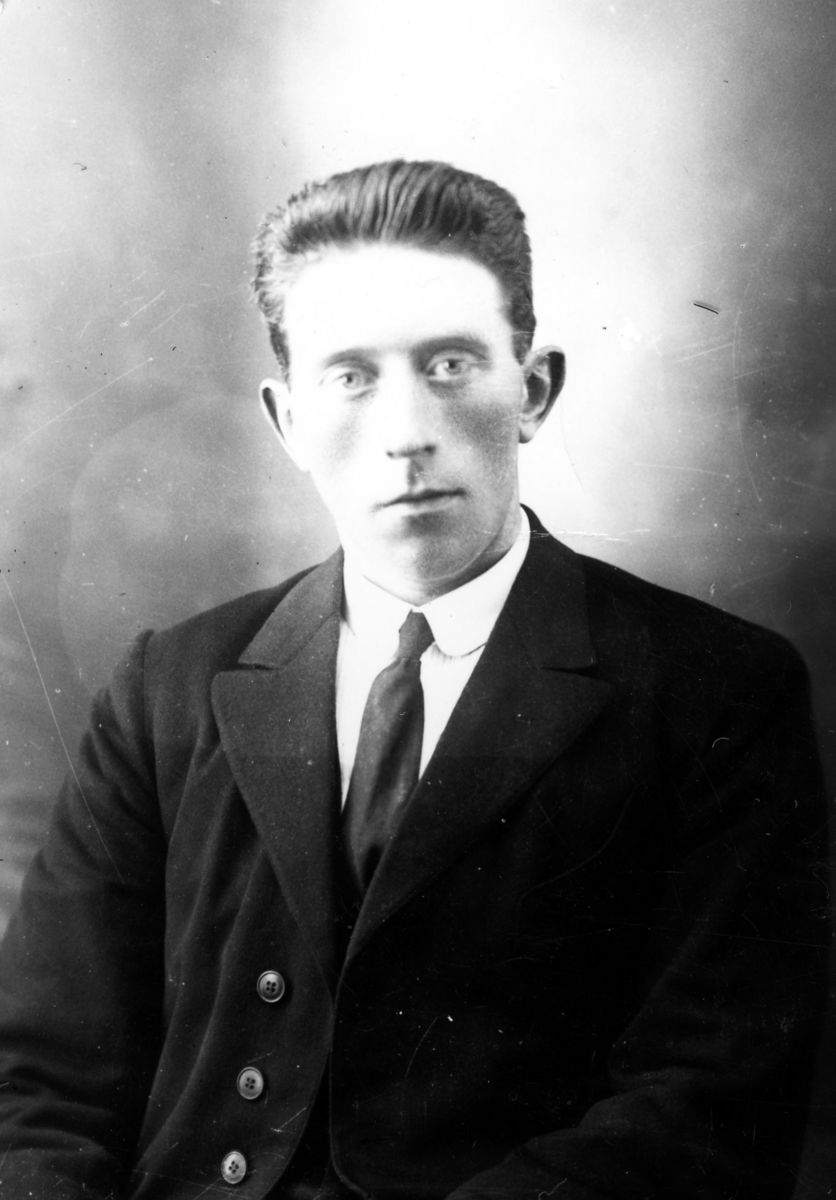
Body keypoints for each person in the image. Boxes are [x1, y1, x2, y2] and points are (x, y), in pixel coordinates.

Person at [0, 160, 828, 1200]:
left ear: (532, 391)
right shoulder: (169, 684)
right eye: (350, 376)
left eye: (448, 365)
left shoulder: (714, 691)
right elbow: (43, 1082)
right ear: (288, 421)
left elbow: (707, 1106)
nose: (405, 434)